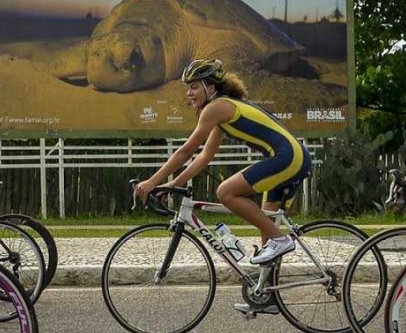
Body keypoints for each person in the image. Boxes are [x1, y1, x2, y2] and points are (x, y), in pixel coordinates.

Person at [133, 58, 311, 316]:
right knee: (266, 228)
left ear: (210, 86)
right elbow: (203, 157)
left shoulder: (216, 107)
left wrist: (152, 182)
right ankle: (268, 295)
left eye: (194, 86)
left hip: (287, 158)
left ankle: (281, 239)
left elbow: (186, 150)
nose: (189, 93)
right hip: (293, 156)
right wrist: (172, 185)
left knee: (225, 192)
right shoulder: (224, 111)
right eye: (188, 87)